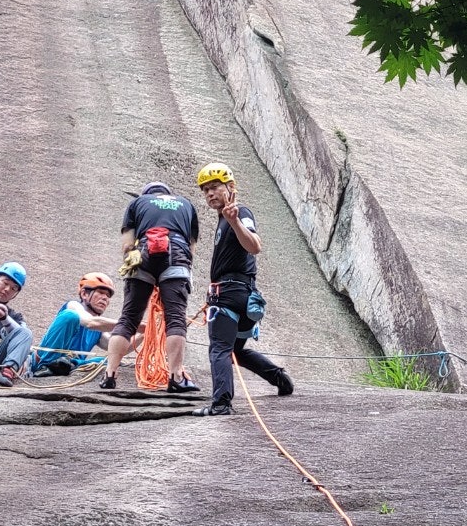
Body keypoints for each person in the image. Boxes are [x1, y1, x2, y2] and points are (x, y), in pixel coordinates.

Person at [193, 163, 293, 416]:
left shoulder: (239, 213)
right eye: (205, 190)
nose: (210, 194)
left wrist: (235, 221)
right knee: (235, 350)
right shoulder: (225, 218)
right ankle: (279, 378)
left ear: (230, 187)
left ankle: (221, 404)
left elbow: (255, 246)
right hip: (244, 296)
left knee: (219, 348)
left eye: (214, 187)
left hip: (228, 295)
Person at [100, 181, 200, 393]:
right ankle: (175, 377)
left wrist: (135, 267)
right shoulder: (186, 204)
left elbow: (127, 245)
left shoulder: (137, 203)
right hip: (176, 254)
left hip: (143, 252)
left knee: (128, 318)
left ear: (147, 194)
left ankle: (109, 375)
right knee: (175, 318)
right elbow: (191, 248)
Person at [30, 273, 118, 376]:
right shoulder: (73, 306)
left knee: (111, 361)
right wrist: (128, 324)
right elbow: (89, 322)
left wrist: (141, 333)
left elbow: (116, 346)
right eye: (101, 292)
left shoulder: (98, 330)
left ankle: (70, 364)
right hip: (44, 361)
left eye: (108, 296)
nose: (105, 298)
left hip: (68, 366)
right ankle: (47, 364)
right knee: (70, 315)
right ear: (84, 294)